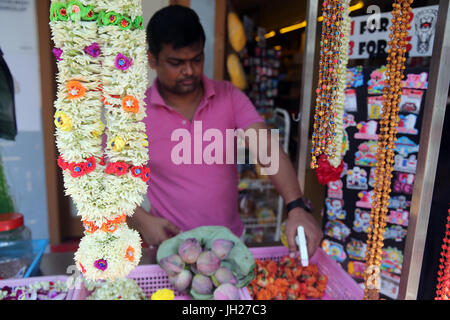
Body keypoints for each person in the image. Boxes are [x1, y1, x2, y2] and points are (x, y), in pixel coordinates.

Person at [128, 5, 323, 258]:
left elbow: (266, 148)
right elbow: (104, 178)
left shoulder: (228, 96)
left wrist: (296, 205)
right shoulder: (134, 114)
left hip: (229, 245)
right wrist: (141, 219)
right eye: (176, 62)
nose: (189, 71)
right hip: (171, 248)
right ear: (152, 59)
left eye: (196, 59)